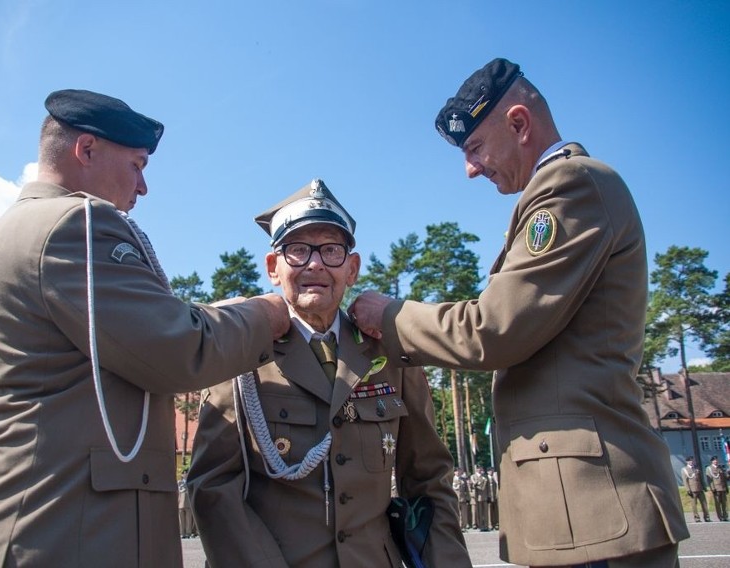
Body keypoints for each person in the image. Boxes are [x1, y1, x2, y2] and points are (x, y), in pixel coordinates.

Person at [348, 57, 689, 567]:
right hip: (581, 510)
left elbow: (494, 329)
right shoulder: (562, 193)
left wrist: (389, 314)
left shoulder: (571, 185)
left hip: (596, 507)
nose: (470, 169)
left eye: (475, 147)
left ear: (519, 124)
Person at [0, 89, 290, 568]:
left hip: (42, 529)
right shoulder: (73, 225)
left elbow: (144, 329)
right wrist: (264, 314)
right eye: (138, 165)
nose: (142, 188)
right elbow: (179, 349)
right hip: (52, 535)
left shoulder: (27, 226)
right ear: (86, 150)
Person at [188, 179, 471, 567]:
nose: (315, 264)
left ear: (351, 269)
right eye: (298, 250)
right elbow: (213, 487)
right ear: (273, 267)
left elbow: (428, 480)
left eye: (331, 251)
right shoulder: (240, 352)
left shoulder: (388, 354)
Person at [681, 456, 710, 522]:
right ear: (687, 462)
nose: (691, 462)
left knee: (704, 504)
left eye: (692, 460)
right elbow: (685, 481)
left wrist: (704, 487)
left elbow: (701, 479)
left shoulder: (696, 469)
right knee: (694, 505)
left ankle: (707, 517)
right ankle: (697, 518)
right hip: (692, 490)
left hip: (700, 489)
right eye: (690, 461)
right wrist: (688, 489)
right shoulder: (685, 470)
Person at [705, 456, 727, 522]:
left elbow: (724, 478)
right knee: (718, 504)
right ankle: (720, 517)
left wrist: (726, 487)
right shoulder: (709, 468)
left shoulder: (720, 468)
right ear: (712, 461)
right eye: (714, 460)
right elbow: (709, 480)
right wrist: (712, 488)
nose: (716, 461)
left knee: (724, 503)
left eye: (716, 460)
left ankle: (725, 516)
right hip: (716, 488)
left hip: (722, 488)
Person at [177, 468, 197, 538]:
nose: (186, 474)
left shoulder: (190, 482)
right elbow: (178, 492)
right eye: (184, 473)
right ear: (182, 474)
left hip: (188, 503)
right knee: (181, 519)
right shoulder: (179, 482)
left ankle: (188, 533)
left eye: (187, 473)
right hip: (180, 503)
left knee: (189, 519)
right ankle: (182, 533)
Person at [470, 464, 489, 531]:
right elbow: (473, 484)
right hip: (478, 496)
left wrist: (488, 495)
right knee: (479, 512)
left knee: (486, 512)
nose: (480, 470)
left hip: (485, 496)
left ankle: (486, 525)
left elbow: (487, 487)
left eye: (481, 468)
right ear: (476, 469)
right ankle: (480, 526)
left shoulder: (485, 476)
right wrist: (480, 481)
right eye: (479, 468)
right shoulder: (473, 476)